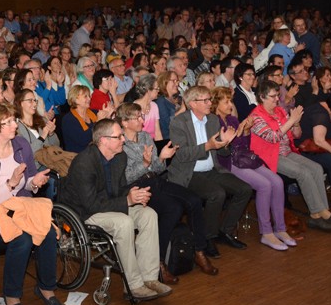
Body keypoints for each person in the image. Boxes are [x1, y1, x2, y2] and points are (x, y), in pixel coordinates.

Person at [59, 119, 170, 301]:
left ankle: (149, 278)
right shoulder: (84, 163)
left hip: (109, 205)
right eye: (118, 137)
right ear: (103, 140)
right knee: (124, 222)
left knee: (149, 214)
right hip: (84, 213)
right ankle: (133, 285)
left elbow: (118, 190)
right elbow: (92, 205)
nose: (123, 140)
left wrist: (133, 194)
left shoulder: (119, 157)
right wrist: (127, 200)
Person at [0, 102, 61, 305]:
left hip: (20, 205)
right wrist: (10, 185)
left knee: (47, 232)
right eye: (9, 122)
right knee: (21, 238)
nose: (15, 125)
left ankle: (46, 287)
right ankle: (12, 295)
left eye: (14, 120)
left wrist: (35, 182)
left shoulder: (21, 145)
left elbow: (29, 182)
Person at [115, 103, 217, 281]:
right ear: (124, 122)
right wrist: (145, 164)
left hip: (156, 179)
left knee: (193, 199)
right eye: (137, 117)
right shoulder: (120, 143)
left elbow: (157, 168)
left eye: (142, 116)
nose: (142, 120)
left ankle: (199, 251)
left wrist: (161, 158)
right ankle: (159, 262)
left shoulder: (146, 136)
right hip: (138, 186)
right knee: (173, 209)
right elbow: (125, 177)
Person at [249, 80, 331, 232]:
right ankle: (322, 213)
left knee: (316, 168)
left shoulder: (280, 111)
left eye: (277, 96)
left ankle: (318, 214)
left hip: (287, 151)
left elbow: (296, 134)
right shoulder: (255, 116)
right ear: (262, 97)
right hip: (270, 156)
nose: (276, 99)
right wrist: (291, 120)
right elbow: (272, 138)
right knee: (303, 173)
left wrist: (296, 124)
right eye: (273, 96)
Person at [167, 86, 252, 253]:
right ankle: (207, 237)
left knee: (245, 189)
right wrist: (208, 145)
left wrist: (225, 143)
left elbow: (221, 151)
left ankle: (225, 231)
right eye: (205, 100)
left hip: (212, 170)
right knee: (216, 194)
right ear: (192, 103)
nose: (209, 103)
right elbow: (182, 154)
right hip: (189, 173)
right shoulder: (179, 122)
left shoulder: (212, 120)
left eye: (209, 99)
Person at [211, 87, 294, 250]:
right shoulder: (213, 122)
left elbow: (244, 146)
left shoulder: (233, 120)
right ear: (216, 104)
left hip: (243, 159)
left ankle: (281, 228)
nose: (230, 104)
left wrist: (246, 131)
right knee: (264, 185)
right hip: (229, 163)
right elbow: (223, 151)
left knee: (277, 182)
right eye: (226, 101)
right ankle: (266, 232)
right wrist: (239, 132)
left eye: (231, 100)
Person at [61, 85, 112, 153]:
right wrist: (98, 122)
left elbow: (106, 132)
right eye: (85, 96)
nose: (89, 99)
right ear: (75, 100)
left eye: (89, 96)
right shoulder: (68, 120)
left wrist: (107, 117)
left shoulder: (94, 112)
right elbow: (83, 140)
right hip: (79, 155)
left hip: (96, 151)